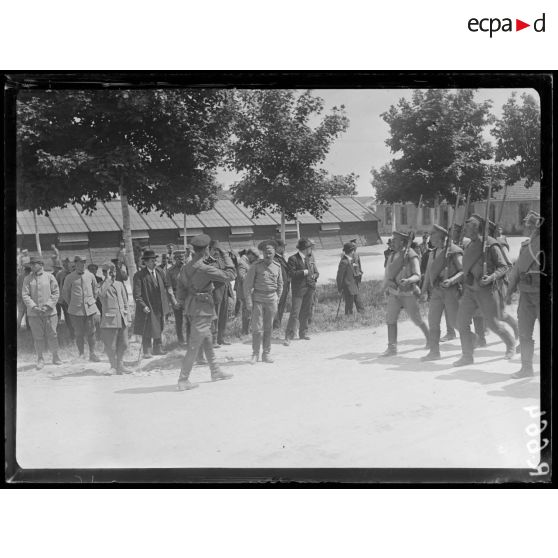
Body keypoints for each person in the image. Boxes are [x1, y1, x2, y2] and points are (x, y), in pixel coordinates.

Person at [175, 234, 236, 391]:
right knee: (194, 345)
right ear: (206, 249)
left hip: (192, 307)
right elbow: (230, 275)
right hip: (202, 309)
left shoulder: (186, 266)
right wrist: (225, 255)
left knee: (207, 339)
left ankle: (215, 371)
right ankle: (183, 380)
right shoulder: (205, 268)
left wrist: (184, 303)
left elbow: (180, 288)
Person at [453, 214, 516, 367]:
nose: (465, 230)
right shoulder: (468, 245)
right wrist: (455, 280)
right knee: (461, 323)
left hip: (487, 290)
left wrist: (491, 277)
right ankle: (467, 356)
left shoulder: (490, 244)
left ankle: (510, 344)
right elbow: (465, 269)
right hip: (469, 290)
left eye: (468, 227)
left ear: (476, 228)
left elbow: (504, 266)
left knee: (493, 324)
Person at [380, 231, 430, 356]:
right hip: (394, 293)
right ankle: (392, 347)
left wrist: (408, 280)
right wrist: (384, 288)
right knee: (390, 319)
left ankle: (430, 339)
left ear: (402, 242)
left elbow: (417, 275)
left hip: (408, 293)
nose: (392, 242)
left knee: (417, 319)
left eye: (395, 240)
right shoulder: (392, 256)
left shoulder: (411, 255)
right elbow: (387, 275)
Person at [505, 210, 542, 379]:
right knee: (525, 332)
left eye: (528, 224)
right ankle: (526, 368)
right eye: (525, 223)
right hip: (526, 295)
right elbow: (516, 270)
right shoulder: (525, 245)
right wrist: (508, 292)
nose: (524, 227)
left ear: (536, 226)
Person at [420, 224, 463, 361]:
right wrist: (423, 291)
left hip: (450, 290)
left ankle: (471, 340)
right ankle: (434, 352)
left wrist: (452, 280)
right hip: (436, 291)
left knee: (455, 322)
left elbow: (463, 270)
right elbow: (428, 273)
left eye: (433, 235)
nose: (430, 237)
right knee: (433, 321)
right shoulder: (432, 253)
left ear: (442, 237)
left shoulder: (454, 251)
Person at [133, 249, 178, 358]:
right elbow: (137, 295)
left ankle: (157, 348)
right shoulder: (139, 275)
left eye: (155, 260)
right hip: (148, 305)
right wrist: (143, 306)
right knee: (148, 327)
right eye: (152, 260)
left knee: (160, 326)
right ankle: (146, 351)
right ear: (146, 262)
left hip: (160, 305)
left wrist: (171, 297)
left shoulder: (159, 272)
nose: (155, 262)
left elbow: (167, 285)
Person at [244, 241, 283, 364]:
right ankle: (255, 354)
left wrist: (278, 297)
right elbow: (247, 285)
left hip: (271, 300)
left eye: (270, 253)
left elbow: (280, 285)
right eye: (266, 253)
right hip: (258, 300)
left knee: (268, 328)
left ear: (274, 253)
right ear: (262, 253)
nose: (268, 255)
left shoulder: (277, 266)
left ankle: (266, 354)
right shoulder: (256, 266)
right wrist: (249, 302)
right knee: (257, 328)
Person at [22, 256, 63, 369]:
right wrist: (34, 307)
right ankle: (40, 359)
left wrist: (48, 306)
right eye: (32, 264)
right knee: (37, 337)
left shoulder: (50, 277)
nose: (33, 266)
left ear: (41, 264)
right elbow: (25, 295)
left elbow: (55, 292)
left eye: (35, 263)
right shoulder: (27, 279)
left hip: (50, 313)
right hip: (34, 314)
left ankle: (55, 356)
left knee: (53, 335)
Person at [62, 256, 101, 361]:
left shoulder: (90, 275)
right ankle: (81, 354)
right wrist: (72, 304)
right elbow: (65, 293)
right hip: (76, 310)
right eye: (80, 263)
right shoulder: (69, 277)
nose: (83, 264)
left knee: (91, 332)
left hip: (89, 309)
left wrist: (92, 301)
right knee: (78, 333)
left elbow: (95, 290)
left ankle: (92, 353)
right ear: (76, 264)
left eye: (84, 262)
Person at [99, 262, 132, 375]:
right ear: (104, 273)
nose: (113, 274)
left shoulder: (119, 284)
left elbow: (125, 301)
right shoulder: (101, 285)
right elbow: (101, 295)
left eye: (113, 271)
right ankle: (113, 366)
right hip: (109, 320)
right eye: (109, 271)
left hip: (122, 318)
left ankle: (120, 365)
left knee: (124, 343)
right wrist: (107, 280)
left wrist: (129, 317)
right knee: (111, 345)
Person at [283, 238, 318, 345]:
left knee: (306, 311)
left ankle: (303, 333)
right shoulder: (293, 259)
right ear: (304, 249)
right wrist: (304, 272)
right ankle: (289, 336)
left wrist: (315, 275)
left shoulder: (309, 258)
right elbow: (291, 274)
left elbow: (315, 272)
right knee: (295, 313)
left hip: (309, 288)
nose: (311, 250)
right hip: (298, 290)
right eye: (309, 248)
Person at [493, 223, 520, 346]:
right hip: (491, 282)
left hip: (500, 281)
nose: (498, 231)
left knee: (500, 314)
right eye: (496, 230)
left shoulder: (500, 243)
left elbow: (508, 263)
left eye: (499, 229)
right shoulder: (490, 242)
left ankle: (515, 327)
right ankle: (481, 336)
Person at [236, 247, 259, 335]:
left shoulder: (247, 262)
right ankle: (245, 331)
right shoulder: (242, 263)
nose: (256, 259)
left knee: (249, 311)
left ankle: (247, 330)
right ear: (250, 254)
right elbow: (242, 277)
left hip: (248, 291)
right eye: (255, 257)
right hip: (244, 292)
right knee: (247, 311)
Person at [337, 243, 365, 315]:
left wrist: (358, 274)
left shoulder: (350, 260)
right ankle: (348, 317)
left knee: (359, 301)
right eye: (353, 251)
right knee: (349, 304)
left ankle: (363, 315)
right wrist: (340, 288)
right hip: (348, 286)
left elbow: (353, 270)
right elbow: (339, 277)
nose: (354, 252)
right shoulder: (344, 262)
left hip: (354, 284)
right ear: (351, 251)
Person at [167, 250, 188, 346]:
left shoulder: (188, 269)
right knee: (179, 321)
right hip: (176, 297)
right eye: (179, 258)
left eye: (183, 258)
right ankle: (181, 341)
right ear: (175, 259)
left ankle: (190, 340)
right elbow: (169, 288)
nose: (181, 260)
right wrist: (174, 301)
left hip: (188, 297)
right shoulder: (170, 271)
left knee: (189, 320)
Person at [272, 239, 291, 330]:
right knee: (278, 305)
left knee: (281, 305)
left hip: (285, 285)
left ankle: (277, 324)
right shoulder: (275, 258)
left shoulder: (281, 257)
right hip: (279, 286)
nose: (284, 248)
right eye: (283, 246)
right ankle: (275, 325)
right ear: (277, 248)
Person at [55, 258, 75, 339]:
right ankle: (72, 334)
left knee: (75, 317)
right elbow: (56, 285)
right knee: (67, 317)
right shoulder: (60, 274)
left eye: (67, 264)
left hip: (74, 299)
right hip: (63, 300)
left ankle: (77, 333)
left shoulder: (74, 273)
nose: (65, 266)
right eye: (64, 265)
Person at [17, 265, 32, 330]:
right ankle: (28, 327)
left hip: (21, 296)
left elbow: (17, 287)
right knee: (27, 313)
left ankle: (18, 326)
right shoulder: (30, 277)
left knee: (21, 313)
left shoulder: (20, 276)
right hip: (26, 297)